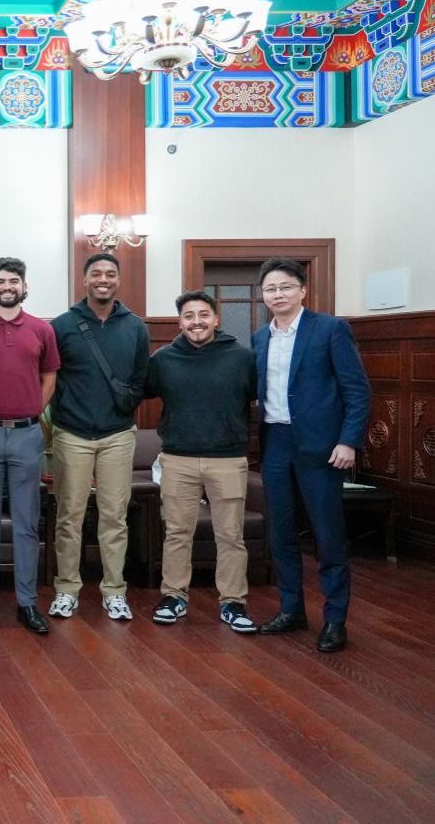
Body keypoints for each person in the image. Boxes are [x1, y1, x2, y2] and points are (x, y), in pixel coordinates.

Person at [253, 258, 370, 653]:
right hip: (275, 443)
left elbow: (356, 390)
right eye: (271, 289)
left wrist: (348, 440)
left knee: (328, 535)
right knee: (281, 534)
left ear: (302, 290)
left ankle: (335, 619)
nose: (278, 294)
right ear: (263, 296)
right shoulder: (260, 337)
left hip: (321, 447)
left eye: (286, 286)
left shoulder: (330, 329)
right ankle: (291, 609)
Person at [144, 290, 258, 633]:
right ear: (180, 323)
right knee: (177, 533)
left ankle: (233, 602)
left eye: (203, 315)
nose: (197, 322)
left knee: (231, 535)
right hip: (178, 457)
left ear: (216, 319)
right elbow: (142, 391)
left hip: (228, 459)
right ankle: (173, 597)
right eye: (189, 316)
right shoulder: (163, 359)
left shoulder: (242, 357)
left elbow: (257, 397)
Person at [48, 252, 150, 622]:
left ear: (118, 280)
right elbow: (51, 377)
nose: (103, 279)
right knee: (69, 516)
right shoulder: (62, 325)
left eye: (109, 273)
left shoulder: (135, 327)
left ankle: (114, 591)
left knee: (114, 517)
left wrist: (124, 411)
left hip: (118, 435)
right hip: (71, 434)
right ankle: (66, 589)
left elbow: (140, 378)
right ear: (85, 279)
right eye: (96, 273)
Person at [0, 258, 58, 634]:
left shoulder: (42, 330)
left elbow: (49, 377)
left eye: (13, 281)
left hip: (26, 435)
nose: (7, 286)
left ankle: (27, 603)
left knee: (26, 523)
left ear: (24, 286)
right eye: (0, 281)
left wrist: (33, 409)